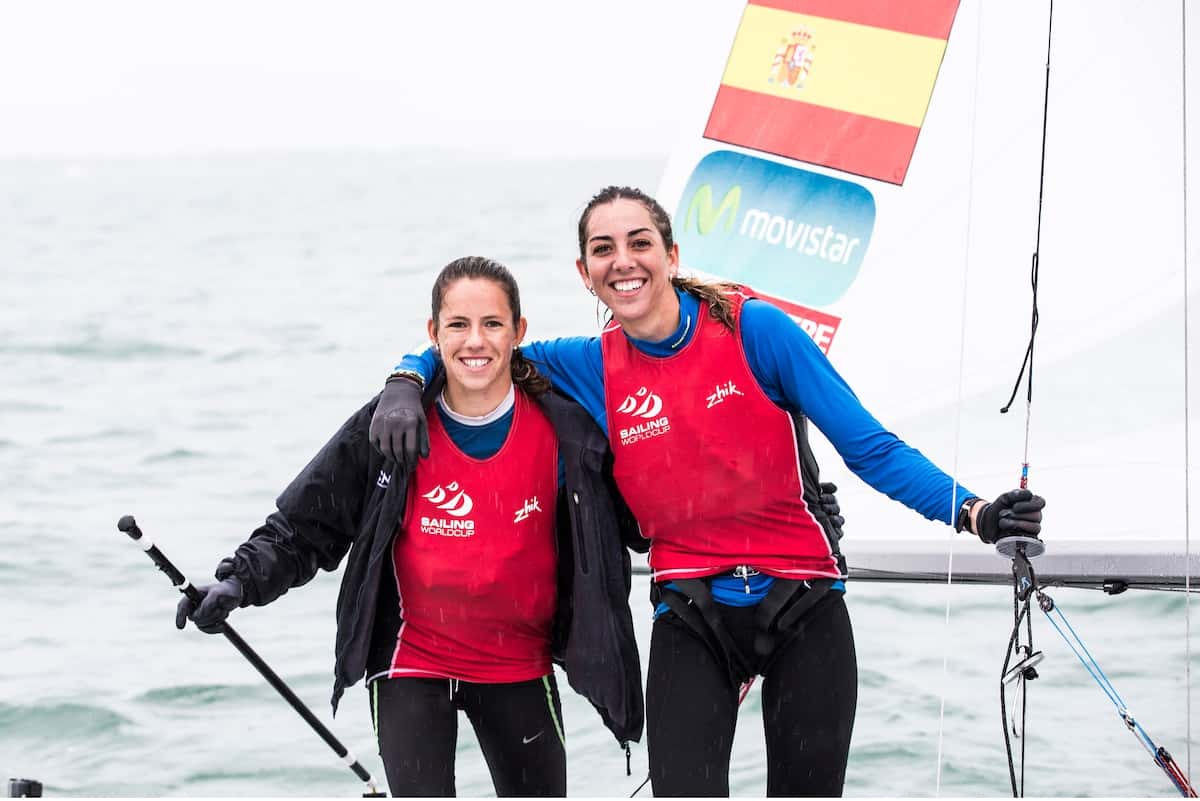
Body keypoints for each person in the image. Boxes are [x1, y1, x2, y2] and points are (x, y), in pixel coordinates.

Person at [369, 188, 1046, 797]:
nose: (622, 260)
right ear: (585, 272)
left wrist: (975, 512)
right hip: (691, 612)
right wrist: (406, 379)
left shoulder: (757, 331)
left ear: (670, 254)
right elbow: (479, 351)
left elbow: (869, 447)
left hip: (803, 601)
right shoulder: (590, 363)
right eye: (603, 249)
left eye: (639, 242)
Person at [176, 256, 648, 797]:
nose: (476, 341)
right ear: (433, 333)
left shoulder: (565, 430)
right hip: (412, 660)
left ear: (519, 331)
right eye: (458, 325)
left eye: (492, 324)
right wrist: (239, 582)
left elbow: (642, 508)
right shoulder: (392, 424)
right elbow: (307, 523)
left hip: (520, 662)